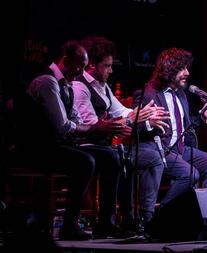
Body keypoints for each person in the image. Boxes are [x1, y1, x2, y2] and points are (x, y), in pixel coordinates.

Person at [18, 40, 130, 240]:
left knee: (111, 158)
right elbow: (63, 126)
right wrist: (95, 128)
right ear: (66, 60)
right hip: (35, 148)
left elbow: (76, 121)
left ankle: (106, 222)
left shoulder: (66, 84)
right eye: (79, 66)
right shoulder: (47, 82)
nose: (80, 72)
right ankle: (69, 224)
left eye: (83, 67)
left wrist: (98, 127)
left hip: (57, 145)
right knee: (85, 161)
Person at [73, 35, 169, 231]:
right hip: (84, 145)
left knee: (126, 156)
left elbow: (122, 112)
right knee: (116, 156)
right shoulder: (79, 87)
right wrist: (133, 118)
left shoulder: (103, 87)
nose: (111, 70)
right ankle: (106, 220)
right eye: (107, 66)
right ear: (91, 65)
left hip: (103, 144)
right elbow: (92, 125)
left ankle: (129, 217)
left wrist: (145, 115)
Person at [132, 47, 207, 209]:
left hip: (180, 149)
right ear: (168, 69)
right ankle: (164, 214)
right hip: (159, 150)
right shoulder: (146, 94)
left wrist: (203, 116)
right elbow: (133, 127)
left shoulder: (180, 94)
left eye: (187, 67)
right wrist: (148, 123)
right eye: (182, 68)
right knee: (190, 174)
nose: (187, 73)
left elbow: (184, 127)